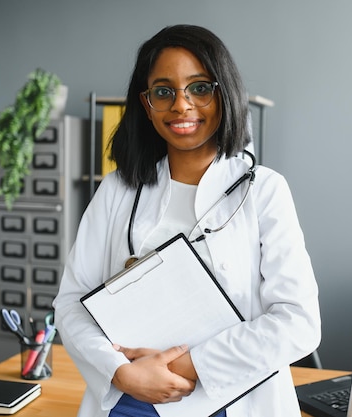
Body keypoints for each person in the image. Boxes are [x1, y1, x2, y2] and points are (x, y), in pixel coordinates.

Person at [53, 24, 321, 417]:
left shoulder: (263, 190)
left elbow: (299, 322)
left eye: (199, 88)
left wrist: (184, 365)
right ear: (147, 105)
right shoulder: (116, 190)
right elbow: (72, 303)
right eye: (163, 92)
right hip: (131, 401)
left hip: (231, 399)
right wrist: (121, 373)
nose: (181, 105)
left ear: (223, 93)